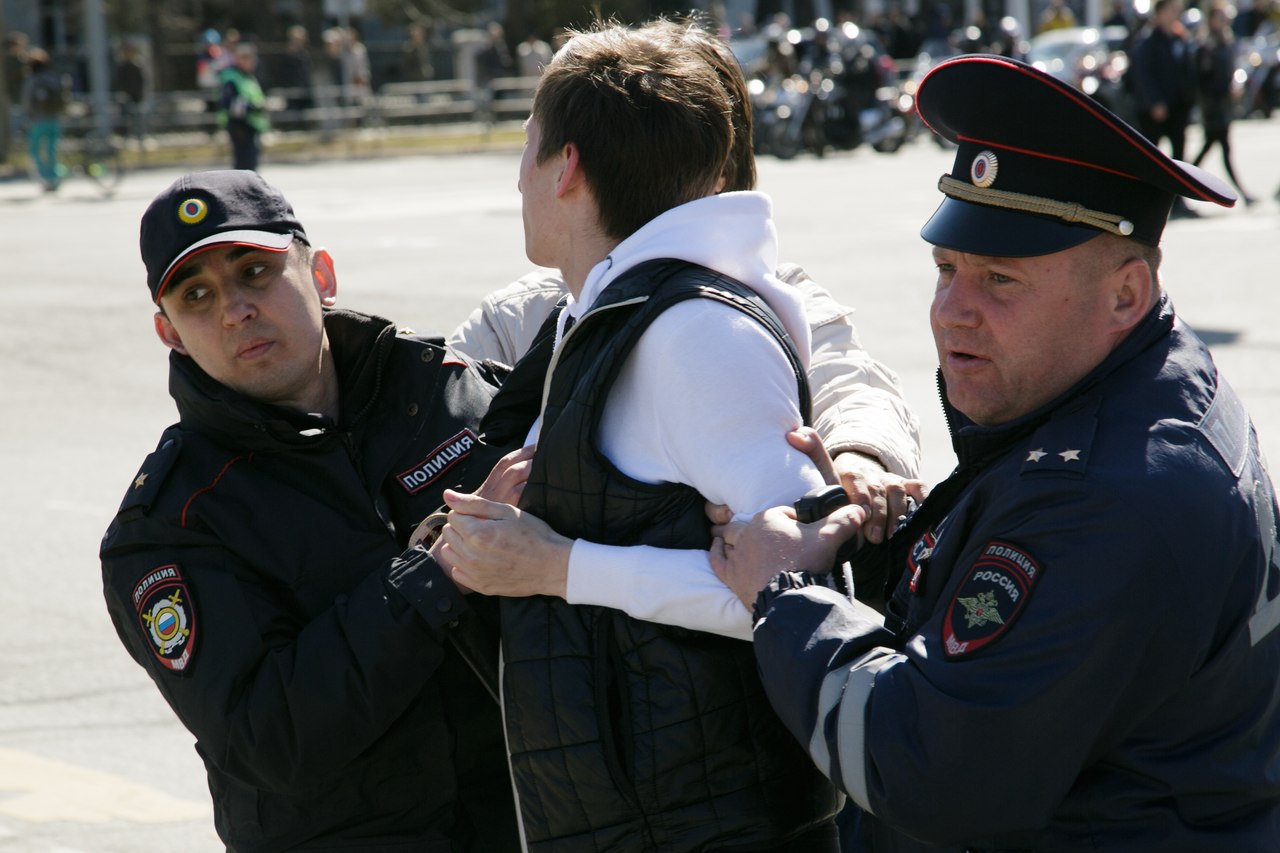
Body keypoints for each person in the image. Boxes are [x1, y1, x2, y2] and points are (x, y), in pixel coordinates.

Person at [710, 54, 1280, 851]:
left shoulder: (1110, 495)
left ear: (1125, 293)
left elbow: (924, 767)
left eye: (1000, 280)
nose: (952, 311)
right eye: (946, 268)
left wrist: (786, 592)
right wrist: (895, 543)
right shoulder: (1142, 383)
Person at [437, 20, 862, 852]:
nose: (517, 175)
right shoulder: (605, 310)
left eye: (527, 145)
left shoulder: (696, 335)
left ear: (566, 167)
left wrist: (559, 566)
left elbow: (805, 597)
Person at [99, 170, 523, 851]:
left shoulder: (446, 392)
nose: (235, 310)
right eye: (197, 295)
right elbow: (270, 738)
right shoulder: (169, 525)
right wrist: (434, 576)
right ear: (169, 332)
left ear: (321, 274)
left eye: (254, 271)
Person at [1129, 0, 1200, 216]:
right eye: (1171, 11)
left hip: (1177, 107)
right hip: (1155, 110)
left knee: (1179, 157)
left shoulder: (1179, 38)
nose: (1175, 15)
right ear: (1159, 13)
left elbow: (1187, 70)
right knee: (1150, 158)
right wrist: (1154, 102)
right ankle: (1143, 203)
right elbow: (1143, 75)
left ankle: (1177, 202)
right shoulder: (1148, 41)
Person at [1191, 1, 1257, 205]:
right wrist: (1223, 89)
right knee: (1219, 151)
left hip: (1224, 106)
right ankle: (1241, 194)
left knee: (1214, 150)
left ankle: (1182, 185)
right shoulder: (1206, 46)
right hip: (1213, 107)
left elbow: (1234, 69)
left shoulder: (1227, 42)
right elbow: (1202, 81)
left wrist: (1235, 85)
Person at [21, 47, 70, 191]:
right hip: (55, 118)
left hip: (38, 119)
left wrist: (27, 116)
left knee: (35, 149)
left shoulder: (33, 79)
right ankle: (54, 176)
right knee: (52, 149)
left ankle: (45, 177)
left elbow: (27, 101)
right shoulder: (53, 77)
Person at [217, 42, 268, 171]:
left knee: (251, 166)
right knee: (244, 167)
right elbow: (229, 104)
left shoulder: (248, 77)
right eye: (246, 58)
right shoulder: (231, 78)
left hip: (252, 126)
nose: (251, 62)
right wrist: (253, 107)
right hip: (240, 127)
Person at [112, 41, 152, 149]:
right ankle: (125, 138)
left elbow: (144, 82)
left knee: (140, 118)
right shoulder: (122, 66)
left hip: (138, 98)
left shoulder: (138, 65)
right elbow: (118, 82)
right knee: (125, 118)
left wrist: (142, 95)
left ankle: (141, 139)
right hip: (126, 98)